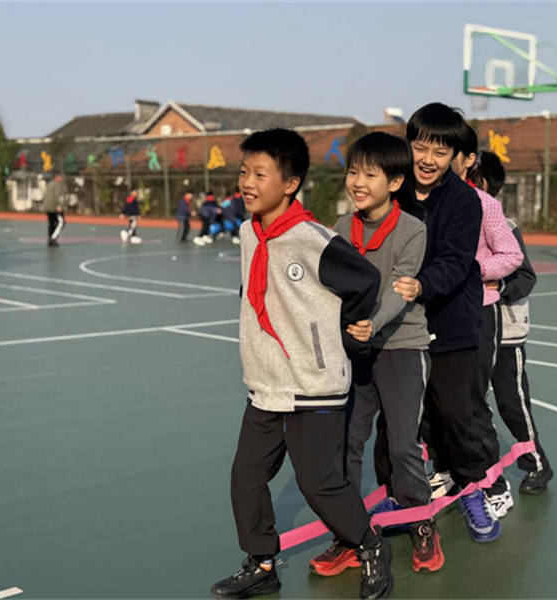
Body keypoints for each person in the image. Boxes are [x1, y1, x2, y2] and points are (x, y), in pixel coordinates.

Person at [211, 128, 393, 600]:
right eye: (244, 172)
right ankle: (261, 563)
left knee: (319, 484)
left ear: (290, 183)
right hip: (266, 383)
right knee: (246, 476)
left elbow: (365, 281)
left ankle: (370, 545)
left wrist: (337, 331)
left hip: (314, 385)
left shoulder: (313, 239)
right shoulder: (249, 231)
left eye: (260, 174)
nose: (247, 182)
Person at [308, 131, 442, 577]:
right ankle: (350, 536)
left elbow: (401, 289)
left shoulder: (413, 230)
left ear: (396, 182)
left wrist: (371, 322)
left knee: (403, 445)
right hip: (356, 352)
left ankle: (421, 523)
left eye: (369, 175)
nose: (357, 183)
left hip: (402, 347)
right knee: (347, 444)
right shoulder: (341, 227)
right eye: (352, 173)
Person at [391, 103, 501, 543]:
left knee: (456, 412)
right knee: (399, 420)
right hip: (398, 324)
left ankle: (473, 489)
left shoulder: (464, 200)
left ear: (456, 155)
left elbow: (456, 262)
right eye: (421, 148)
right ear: (409, 146)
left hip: (451, 320)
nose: (428, 159)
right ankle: (401, 497)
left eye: (440, 151)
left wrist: (420, 285)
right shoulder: (394, 189)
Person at [470, 152, 554, 495]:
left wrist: (500, 285)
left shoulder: (505, 226)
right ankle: (480, 468)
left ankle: (537, 464)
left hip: (506, 334)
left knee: (512, 403)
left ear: (482, 183)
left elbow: (526, 277)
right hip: (476, 331)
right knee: (472, 402)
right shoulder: (460, 221)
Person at [451, 130, 524, 518]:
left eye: (443, 151)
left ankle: (493, 481)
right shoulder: (419, 202)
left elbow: (512, 256)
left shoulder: (484, 205)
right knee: (439, 402)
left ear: (466, 161)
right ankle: (452, 472)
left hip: (479, 311)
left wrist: (470, 269)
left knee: (473, 400)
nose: (431, 159)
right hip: (435, 314)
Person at [42, 173, 67, 246]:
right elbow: (56, 196)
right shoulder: (55, 185)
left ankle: (51, 239)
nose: (61, 178)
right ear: (56, 177)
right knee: (61, 223)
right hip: (54, 208)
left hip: (49, 207)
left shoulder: (51, 184)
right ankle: (53, 238)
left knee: (52, 224)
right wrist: (58, 205)